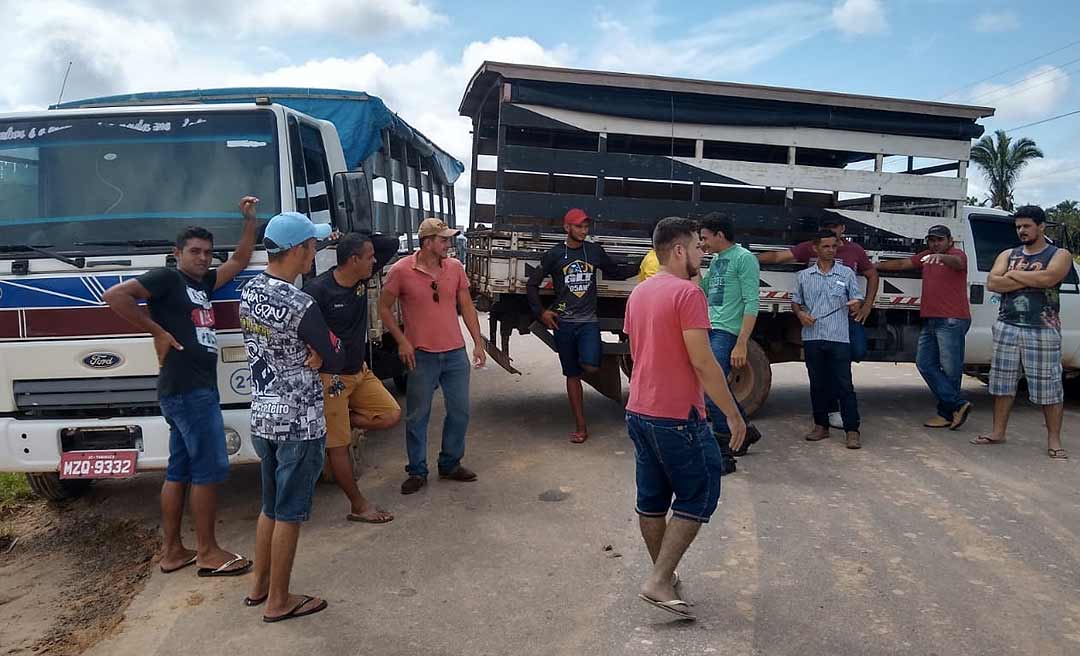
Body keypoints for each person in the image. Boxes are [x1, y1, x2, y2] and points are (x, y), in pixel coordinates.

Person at [103, 196, 258, 578]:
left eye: (207, 252)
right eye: (195, 251)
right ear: (177, 253)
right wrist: (157, 330)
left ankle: (173, 551)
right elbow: (115, 296)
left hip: (189, 389)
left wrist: (249, 222)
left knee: (180, 470)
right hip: (188, 390)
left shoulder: (202, 282)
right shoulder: (167, 278)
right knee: (209, 469)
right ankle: (208, 552)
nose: (203, 258)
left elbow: (237, 261)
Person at [624, 216, 745, 622]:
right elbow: (704, 362)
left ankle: (665, 576)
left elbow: (639, 351)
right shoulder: (687, 293)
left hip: (639, 410)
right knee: (701, 490)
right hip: (677, 416)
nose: (702, 253)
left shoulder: (639, 294)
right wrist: (733, 414)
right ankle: (659, 579)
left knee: (653, 499)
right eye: (697, 247)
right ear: (679, 250)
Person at [240, 211, 344, 622]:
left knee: (270, 506)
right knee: (290, 512)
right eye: (312, 245)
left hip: (264, 414)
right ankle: (279, 600)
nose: (314, 252)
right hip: (299, 420)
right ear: (299, 250)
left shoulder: (249, 292)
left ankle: (259, 586)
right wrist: (322, 355)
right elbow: (337, 357)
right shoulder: (301, 303)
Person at [379, 217, 487, 494]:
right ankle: (417, 470)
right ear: (427, 242)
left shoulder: (455, 268)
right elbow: (383, 308)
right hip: (421, 355)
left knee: (460, 411)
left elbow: (466, 307)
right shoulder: (401, 270)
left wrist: (477, 342)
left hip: (454, 354)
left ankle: (450, 463)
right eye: (443, 240)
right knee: (418, 415)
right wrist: (402, 341)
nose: (448, 244)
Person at [304, 232, 402, 523]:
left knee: (390, 415)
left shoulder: (361, 279)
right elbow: (304, 330)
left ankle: (337, 423)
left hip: (359, 371)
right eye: (369, 256)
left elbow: (391, 244)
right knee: (339, 447)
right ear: (353, 260)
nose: (375, 260)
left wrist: (343, 236)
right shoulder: (317, 291)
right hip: (331, 380)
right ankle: (358, 506)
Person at [526, 208, 636, 443]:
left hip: (588, 322)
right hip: (563, 323)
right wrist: (542, 313)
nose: (584, 231)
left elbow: (616, 273)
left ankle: (593, 371)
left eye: (586, 227)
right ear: (567, 228)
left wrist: (645, 263)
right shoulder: (555, 254)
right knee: (571, 374)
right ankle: (581, 426)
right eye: (579, 226)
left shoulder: (594, 251)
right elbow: (532, 285)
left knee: (591, 365)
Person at [758, 215, 878, 428]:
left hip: (845, 319)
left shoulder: (854, 253)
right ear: (817, 246)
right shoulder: (808, 254)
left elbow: (871, 274)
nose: (831, 244)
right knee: (824, 374)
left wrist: (866, 304)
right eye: (827, 229)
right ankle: (831, 414)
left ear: (843, 228)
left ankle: (845, 420)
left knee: (858, 351)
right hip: (816, 324)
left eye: (835, 228)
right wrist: (748, 258)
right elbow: (778, 257)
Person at [975, 205, 1073, 459]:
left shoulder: (1059, 254)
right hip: (1007, 325)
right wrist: (1031, 276)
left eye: (1027, 226)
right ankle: (998, 432)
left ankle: (1054, 440)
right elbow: (993, 282)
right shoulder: (1008, 253)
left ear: (1041, 226)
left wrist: (1014, 274)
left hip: (1043, 328)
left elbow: (1049, 279)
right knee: (1002, 383)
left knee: (1049, 386)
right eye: (1018, 227)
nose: (1022, 231)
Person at [877, 225, 973, 429]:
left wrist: (942, 258)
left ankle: (947, 413)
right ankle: (957, 405)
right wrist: (874, 266)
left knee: (950, 370)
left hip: (951, 320)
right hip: (931, 319)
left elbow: (957, 262)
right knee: (925, 364)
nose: (935, 244)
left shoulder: (957, 255)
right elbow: (903, 264)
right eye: (931, 240)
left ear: (950, 240)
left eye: (939, 239)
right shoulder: (927, 255)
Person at [699, 214, 764, 471]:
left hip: (728, 332)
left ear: (720, 235)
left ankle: (725, 445)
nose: (702, 242)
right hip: (711, 328)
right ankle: (744, 431)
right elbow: (703, 290)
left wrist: (741, 343)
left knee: (711, 386)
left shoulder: (744, 259)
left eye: (705, 237)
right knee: (716, 386)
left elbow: (752, 302)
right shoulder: (716, 260)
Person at [791, 231, 865, 449]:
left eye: (834, 246)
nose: (831, 250)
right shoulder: (804, 276)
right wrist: (800, 314)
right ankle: (820, 426)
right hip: (813, 337)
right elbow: (796, 301)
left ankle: (852, 430)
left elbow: (857, 296)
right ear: (816, 248)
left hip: (839, 337)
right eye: (826, 246)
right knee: (817, 384)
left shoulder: (846, 274)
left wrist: (857, 303)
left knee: (844, 385)